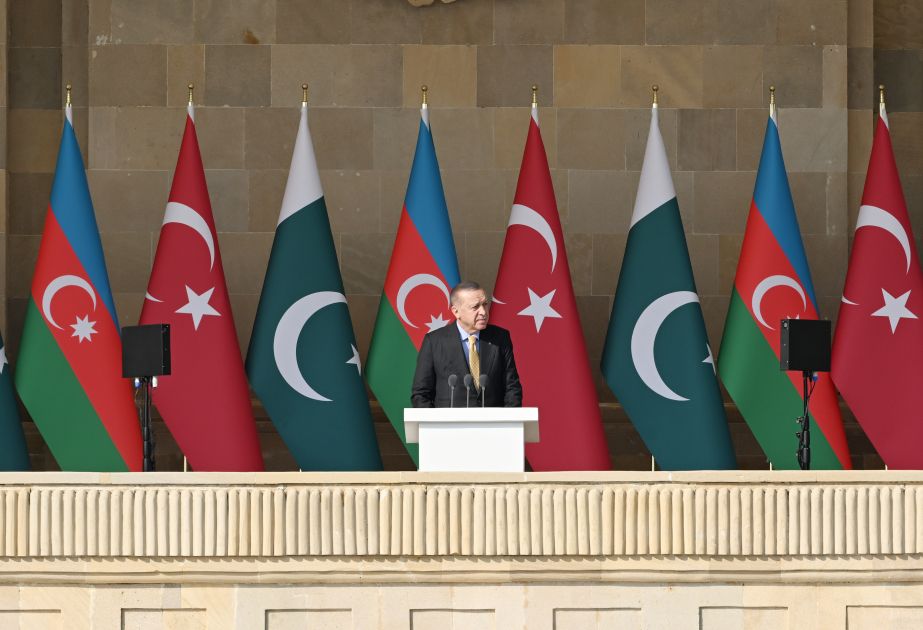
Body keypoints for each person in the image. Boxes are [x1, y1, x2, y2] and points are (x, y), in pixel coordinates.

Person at [411, 281, 522, 408]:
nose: (483, 312)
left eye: (485, 304)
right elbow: (421, 394)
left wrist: (508, 419)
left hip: (493, 420)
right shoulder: (434, 341)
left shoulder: (500, 337)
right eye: (475, 307)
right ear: (456, 312)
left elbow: (512, 387)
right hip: (449, 420)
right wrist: (434, 421)